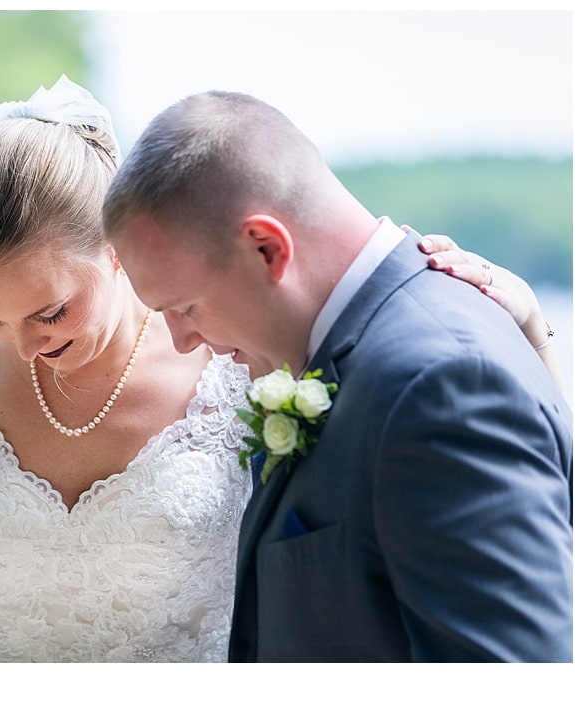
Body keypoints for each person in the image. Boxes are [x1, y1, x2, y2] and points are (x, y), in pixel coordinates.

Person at [101, 89, 573, 662]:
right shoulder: (358, 354)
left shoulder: (442, 387)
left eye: (186, 306)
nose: (180, 340)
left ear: (267, 248)